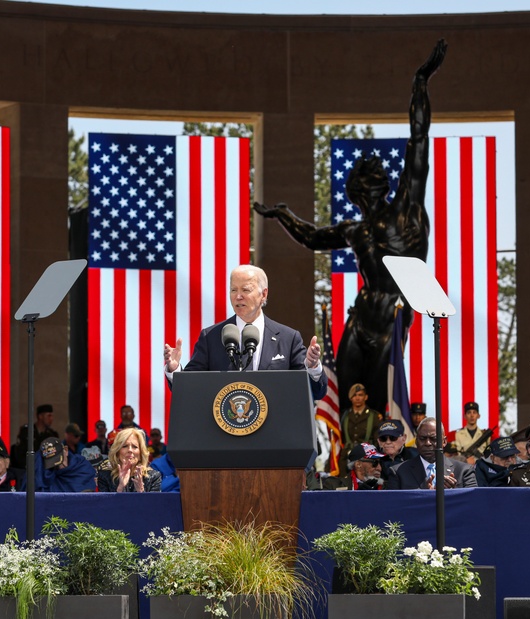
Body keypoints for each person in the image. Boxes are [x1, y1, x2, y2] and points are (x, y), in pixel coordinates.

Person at [252, 41, 447, 415]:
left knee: (376, 396)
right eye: (363, 174)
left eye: (373, 172)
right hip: (360, 317)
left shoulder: (406, 208)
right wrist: (283, 215)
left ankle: (378, 459)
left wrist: (421, 81)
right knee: (345, 394)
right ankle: (348, 461)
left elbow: (418, 141)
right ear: (357, 188)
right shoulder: (354, 229)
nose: (369, 175)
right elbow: (312, 238)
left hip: (392, 314)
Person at [163, 265, 327, 401]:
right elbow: (190, 390)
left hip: (273, 436)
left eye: (245, 290)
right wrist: (175, 369)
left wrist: (312, 367)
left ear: (263, 294)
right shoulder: (211, 337)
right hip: (224, 434)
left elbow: (315, 392)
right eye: (233, 290)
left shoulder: (288, 338)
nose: (238, 296)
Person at [386, 417, 477, 489]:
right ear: (416, 441)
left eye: (434, 439)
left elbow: (472, 504)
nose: (427, 443)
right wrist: (425, 495)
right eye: (422, 438)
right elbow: (394, 508)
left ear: (444, 442)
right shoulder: (398, 472)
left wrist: (451, 493)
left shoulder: (464, 471)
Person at [97, 428, 162, 493]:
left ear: (140, 453)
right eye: (125, 446)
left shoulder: (153, 477)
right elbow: (105, 503)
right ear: (117, 452)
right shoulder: (105, 476)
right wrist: (121, 487)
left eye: (135, 447)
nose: (130, 450)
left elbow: (154, 503)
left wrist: (141, 491)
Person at [338, 383, 383, 475]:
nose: (357, 398)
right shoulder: (344, 416)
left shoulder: (374, 416)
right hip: (346, 458)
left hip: (366, 458)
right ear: (350, 398)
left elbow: (377, 441)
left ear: (366, 397)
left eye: (360, 395)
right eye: (354, 395)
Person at [13, 404, 59, 470]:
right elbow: (19, 454)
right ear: (40, 416)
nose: (51, 419)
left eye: (52, 416)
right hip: (27, 470)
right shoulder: (27, 432)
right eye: (49, 416)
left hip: (45, 471)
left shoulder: (52, 434)